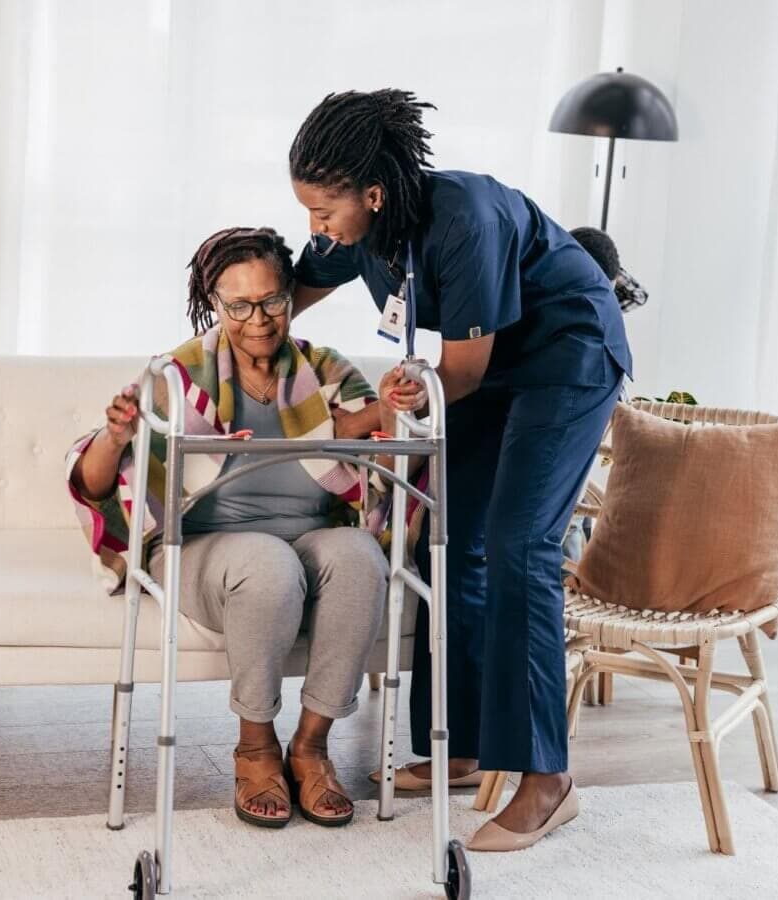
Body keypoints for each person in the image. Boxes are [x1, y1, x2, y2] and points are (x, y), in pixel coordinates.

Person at [287, 90, 632, 851]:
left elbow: (462, 373)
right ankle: (468, 748)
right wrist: (221, 326)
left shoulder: (464, 219)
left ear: (371, 194)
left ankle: (548, 780)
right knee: (440, 540)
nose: (317, 229)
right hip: (490, 367)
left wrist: (382, 409)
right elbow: (286, 297)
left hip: (566, 355)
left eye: (323, 212)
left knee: (519, 545)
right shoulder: (356, 224)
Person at [66, 227, 390, 829]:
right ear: (214, 303)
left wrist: (391, 409)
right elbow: (93, 483)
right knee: (267, 563)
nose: (258, 319)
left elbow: (383, 460)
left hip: (311, 538)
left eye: (271, 301)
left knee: (361, 558)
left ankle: (311, 746)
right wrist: (116, 437)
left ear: (292, 298)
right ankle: (256, 747)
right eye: (238, 305)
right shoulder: (176, 378)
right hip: (205, 548)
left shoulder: (325, 370)